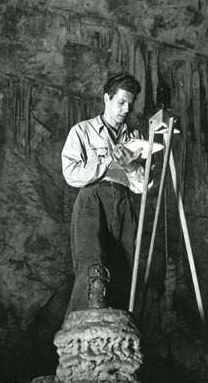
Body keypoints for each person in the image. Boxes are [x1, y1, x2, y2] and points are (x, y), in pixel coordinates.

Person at [62, 73, 149, 312]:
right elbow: (71, 173)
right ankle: (82, 327)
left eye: (130, 104)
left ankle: (117, 327)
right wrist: (108, 160)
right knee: (93, 269)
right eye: (121, 102)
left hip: (123, 202)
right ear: (107, 98)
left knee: (124, 270)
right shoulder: (83, 131)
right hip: (93, 200)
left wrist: (130, 166)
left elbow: (142, 186)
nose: (126, 109)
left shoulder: (136, 138)